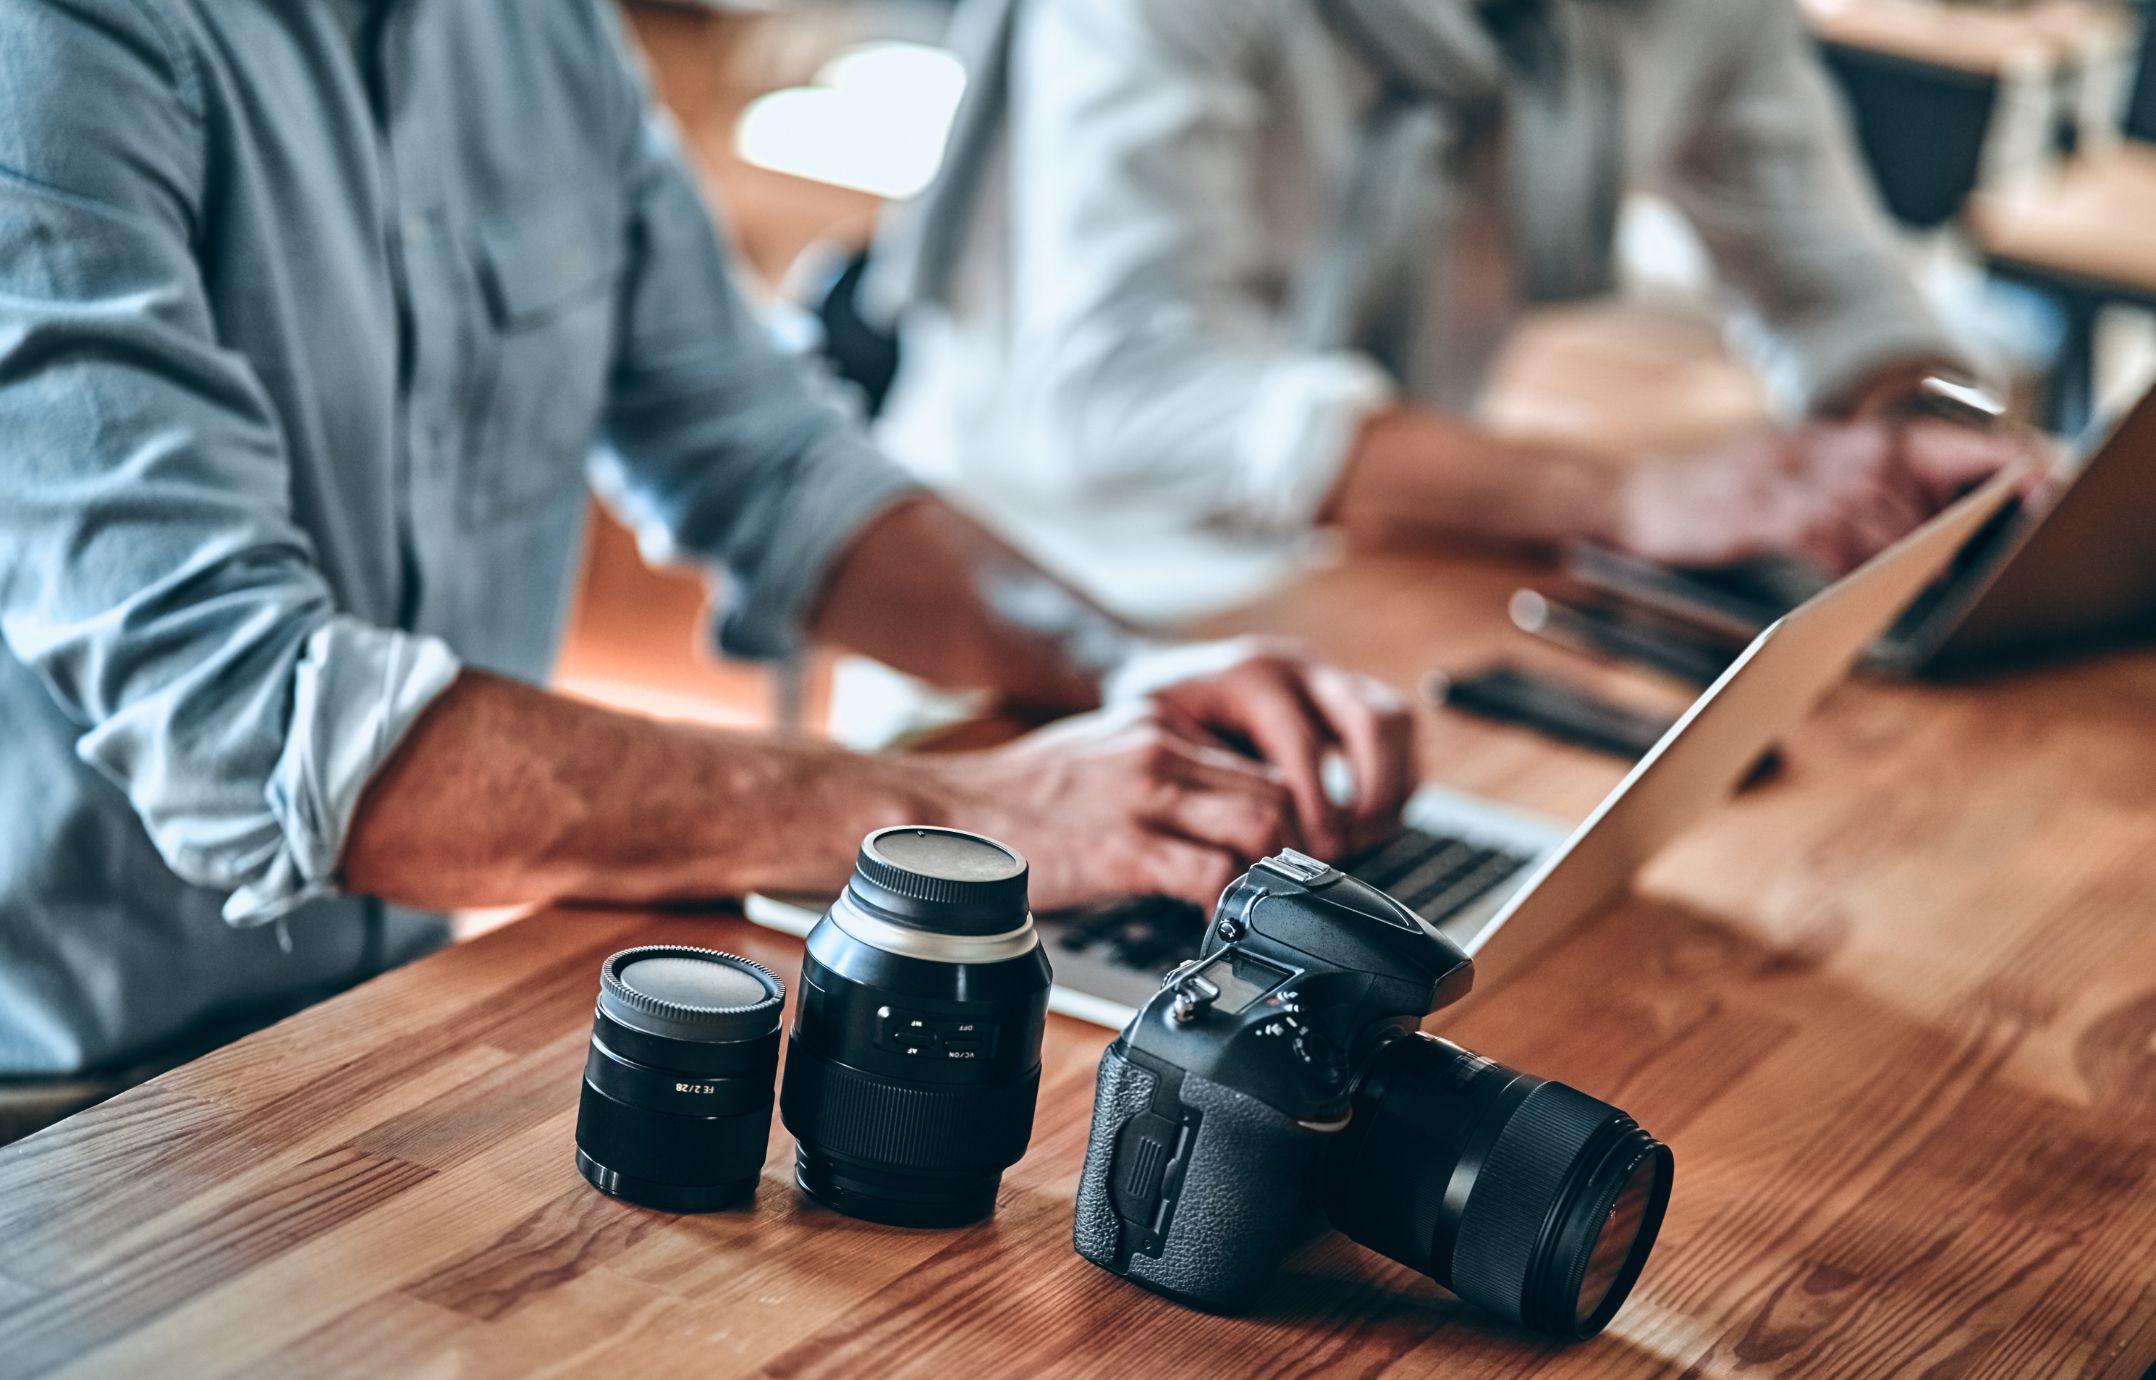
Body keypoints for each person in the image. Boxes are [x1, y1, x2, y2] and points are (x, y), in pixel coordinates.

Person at [0, 0, 1414, 1082]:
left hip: (376, 1023)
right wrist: (983, 820)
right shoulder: (54, 47)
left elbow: (769, 457)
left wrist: (1121, 671)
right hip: (71, 1110)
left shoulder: (535, 29)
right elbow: (268, 731)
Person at [868, 0, 2047, 611]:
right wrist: (1618, 493)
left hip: (1385, 562)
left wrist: (1925, 423)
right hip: (1047, 577)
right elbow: (1122, 395)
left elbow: (1833, 282)